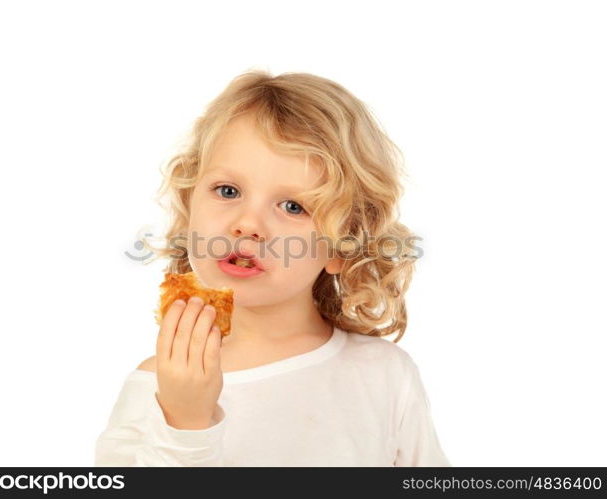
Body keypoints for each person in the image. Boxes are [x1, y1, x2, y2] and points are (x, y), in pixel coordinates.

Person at [94, 70, 451, 467]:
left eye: (293, 206)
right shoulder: (158, 387)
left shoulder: (385, 376)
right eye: (228, 191)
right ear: (188, 202)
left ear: (343, 246)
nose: (248, 224)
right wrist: (186, 422)